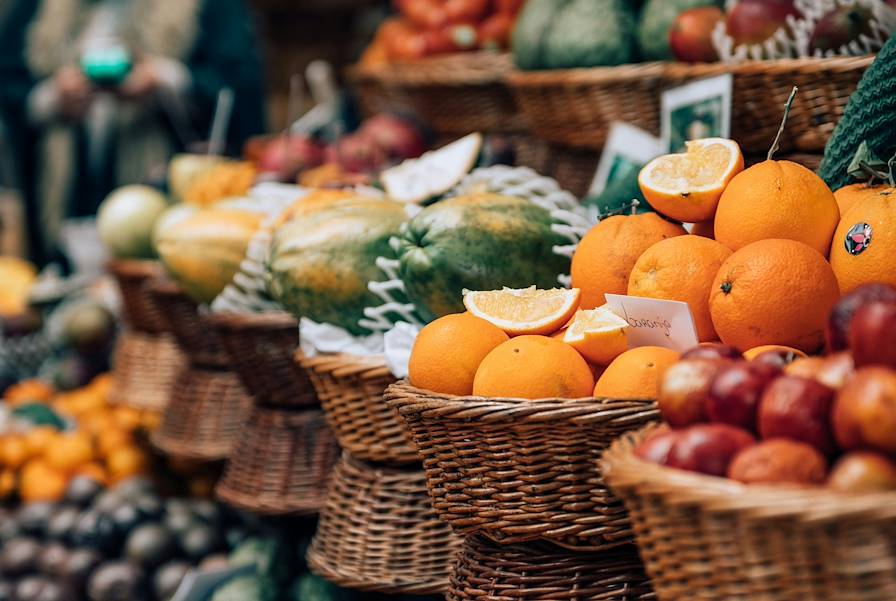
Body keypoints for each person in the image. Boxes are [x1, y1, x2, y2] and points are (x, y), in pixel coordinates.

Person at [0, 0, 266, 266]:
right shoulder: (38, 8)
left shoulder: (207, 8)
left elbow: (238, 86)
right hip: (64, 192)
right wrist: (52, 98)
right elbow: (9, 83)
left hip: (162, 191)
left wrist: (163, 79)